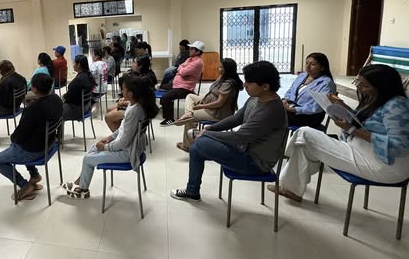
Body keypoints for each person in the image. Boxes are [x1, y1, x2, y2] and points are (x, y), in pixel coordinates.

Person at [269, 64, 409, 202]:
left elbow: (400, 146)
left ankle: (277, 159)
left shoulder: (397, 106)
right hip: (363, 149)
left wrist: (352, 130)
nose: (359, 88)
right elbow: (364, 121)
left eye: (364, 85)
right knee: (304, 145)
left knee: (304, 134)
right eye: (357, 82)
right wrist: (342, 106)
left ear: (382, 87)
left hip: (385, 165)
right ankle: (291, 188)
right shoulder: (375, 98)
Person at [170, 61, 288, 202]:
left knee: (200, 143)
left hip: (255, 163)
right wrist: (210, 128)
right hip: (243, 149)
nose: (244, 85)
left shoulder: (271, 110)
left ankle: (192, 191)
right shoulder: (256, 98)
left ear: (265, 86)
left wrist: (207, 133)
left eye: (249, 83)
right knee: (197, 147)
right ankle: (192, 191)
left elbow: (239, 136)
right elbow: (236, 118)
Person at [62, 75, 159, 199]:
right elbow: (123, 129)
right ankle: (82, 180)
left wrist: (106, 147)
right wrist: (110, 138)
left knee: (88, 159)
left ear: (130, 93)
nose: (122, 92)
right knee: (94, 147)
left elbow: (124, 142)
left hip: (127, 153)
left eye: (123, 89)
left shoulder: (134, 111)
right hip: (130, 148)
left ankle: (83, 190)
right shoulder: (137, 105)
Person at [0, 73, 63, 201]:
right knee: (17, 144)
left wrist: (13, 140)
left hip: (35, 151)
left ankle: (24, 186)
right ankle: (34, 175)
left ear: (34, 89)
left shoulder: (33, 110)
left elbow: (18, 136)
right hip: (50, 143)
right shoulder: (57, 99)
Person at [174, 58, 243, 152]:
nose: (218, 68)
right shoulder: (222, 77)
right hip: (210, 104)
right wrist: (203, 100)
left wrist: (202, 106)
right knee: (190, 96)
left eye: (221, 67)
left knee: (190, 119)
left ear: (227, 70)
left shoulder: (228, 83)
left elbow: (219, 103)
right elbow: (211, 91)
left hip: (218, 113)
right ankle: (188, 113)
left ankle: (188, 146)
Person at [282, 52, 336, 129]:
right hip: (294, 108)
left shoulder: (326, 83)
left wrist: (293, 109)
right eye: (306, 63)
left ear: (322, 67)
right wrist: (285, 100)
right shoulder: (302, 76)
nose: (307, 67)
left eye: (312, 64)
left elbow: (317, 107)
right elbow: (291, 90)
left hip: (310, 116)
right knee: (271, 110)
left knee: (276, 117)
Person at [105, 55, 158, 132]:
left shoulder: (145, 79)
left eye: (135, 63)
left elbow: (140, 99)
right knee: (109, 109)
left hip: (142, 108)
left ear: (140, 66)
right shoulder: (141, 74)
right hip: (136, 103)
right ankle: (123, 131)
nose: (132, 64)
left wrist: (125, 102)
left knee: (108, 117)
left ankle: (124, 136)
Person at [160, 41, 205, 126]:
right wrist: (181, 68)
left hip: (185, 88)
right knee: (161, 87)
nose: (189, 50)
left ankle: (169, 119)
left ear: (198, 51)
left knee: (166, 97)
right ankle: (165, 106)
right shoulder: (190, 59)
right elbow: (181, 66)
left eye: (192, 49)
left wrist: (181, 69)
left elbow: (183, 72)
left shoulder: (197, 62)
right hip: (177, 85)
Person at [62, 55, 96, 122]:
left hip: (78, 110)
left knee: (55, 113)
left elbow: (68, 97)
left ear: (79, 65)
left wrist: (63, 97)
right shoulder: (89, 75)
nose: (73, 65)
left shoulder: (79, 80)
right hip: (87, 106)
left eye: (74, 62)